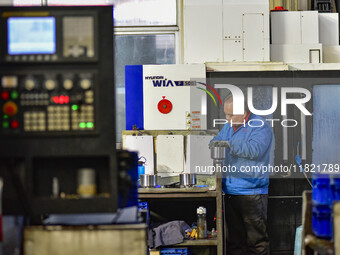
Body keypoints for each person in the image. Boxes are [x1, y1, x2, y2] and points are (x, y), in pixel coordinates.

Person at [209, 94, 273, 255]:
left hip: (251, 193)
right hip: (230, 191)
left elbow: (255, 150)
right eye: (226, 114)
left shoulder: (260, 126)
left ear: (244, 113)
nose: (227, 118)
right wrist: (213, 144)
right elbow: (216, 140)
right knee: (234, 242)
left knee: (256, 241)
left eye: (230, 115)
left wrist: (230, 144)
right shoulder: (229, 126)